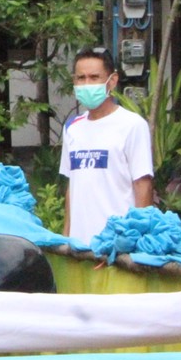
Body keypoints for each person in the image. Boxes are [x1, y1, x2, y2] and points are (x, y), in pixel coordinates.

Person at [60, 47, 153, 243]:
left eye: (94, 77)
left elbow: (142, 186)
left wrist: (139, 242)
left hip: (117, 246)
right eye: (81, 78)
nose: (86, 84)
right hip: (80, 248)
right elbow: (73, 186)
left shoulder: (132, 125)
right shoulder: (72, 128)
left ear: (112, 81)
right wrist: (66, 238)